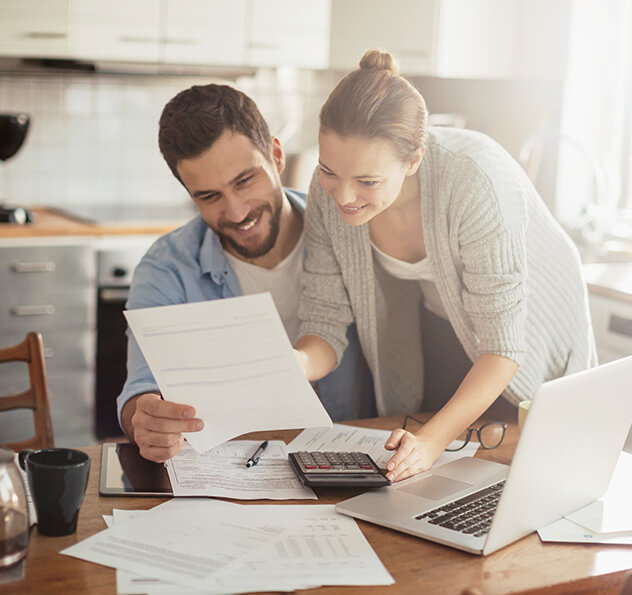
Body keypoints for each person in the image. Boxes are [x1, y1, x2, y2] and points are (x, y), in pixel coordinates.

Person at [294, 49, 597, 483]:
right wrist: (295, 364)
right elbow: (323, 322)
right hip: (443, 316)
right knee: (437, 468)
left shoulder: (476, 181)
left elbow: (503, 348)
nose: (342, 196)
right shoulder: (329, 193)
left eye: (367, 181)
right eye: (328, 171)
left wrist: (431, 442)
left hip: (528, 327)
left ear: (414, 159)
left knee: (523, 461)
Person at [117, 83, 374, 463]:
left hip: (352, 461)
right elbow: (141, 389)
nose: (236, 212)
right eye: (209, 196)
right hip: (231, 470)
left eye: (244, 181)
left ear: (276, 154)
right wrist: (147, 418)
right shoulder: (166, 267)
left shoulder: (348, 231)